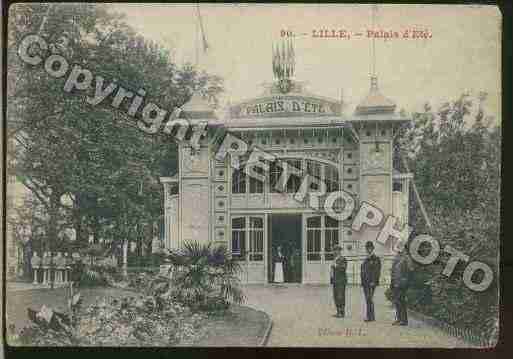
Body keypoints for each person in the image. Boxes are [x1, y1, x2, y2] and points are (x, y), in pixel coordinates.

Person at [390, 246, 411, 326]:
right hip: (396, 283)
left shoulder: (407, 258)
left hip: (402, 283)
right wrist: (392, 282)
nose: (399, 250)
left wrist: (405, 280)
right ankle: (399, 319)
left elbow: (410, 270)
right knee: (396, 301)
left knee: (401, 301)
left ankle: (404, 320)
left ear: (405, 249)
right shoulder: (396, 257)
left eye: (401, 248)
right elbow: (393, 270)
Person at [361, 241, 381, 322]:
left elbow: (377, 271)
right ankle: (369, 316)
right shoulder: (366, 259)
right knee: (368, 299)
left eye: (370, 248)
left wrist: (373, 281)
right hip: (365, 282)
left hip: (371, 282)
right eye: (367, 248)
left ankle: (371, 317)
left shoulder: (375, 258)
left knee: (369, 298)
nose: (368, 249)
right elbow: (363, 270)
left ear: (372, 249)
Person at [330, 245, 347, 318]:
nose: (335, 252)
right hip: (335, 280)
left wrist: (336, 265)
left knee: (341, 296)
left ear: (339, 251)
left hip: (341, 280)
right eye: (334, 250)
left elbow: (343, 268)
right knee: (335, 296)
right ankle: (338, 311)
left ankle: (341, 312)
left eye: (336, 250)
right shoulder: (334, 259)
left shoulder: (343, 259)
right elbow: (332, 270)